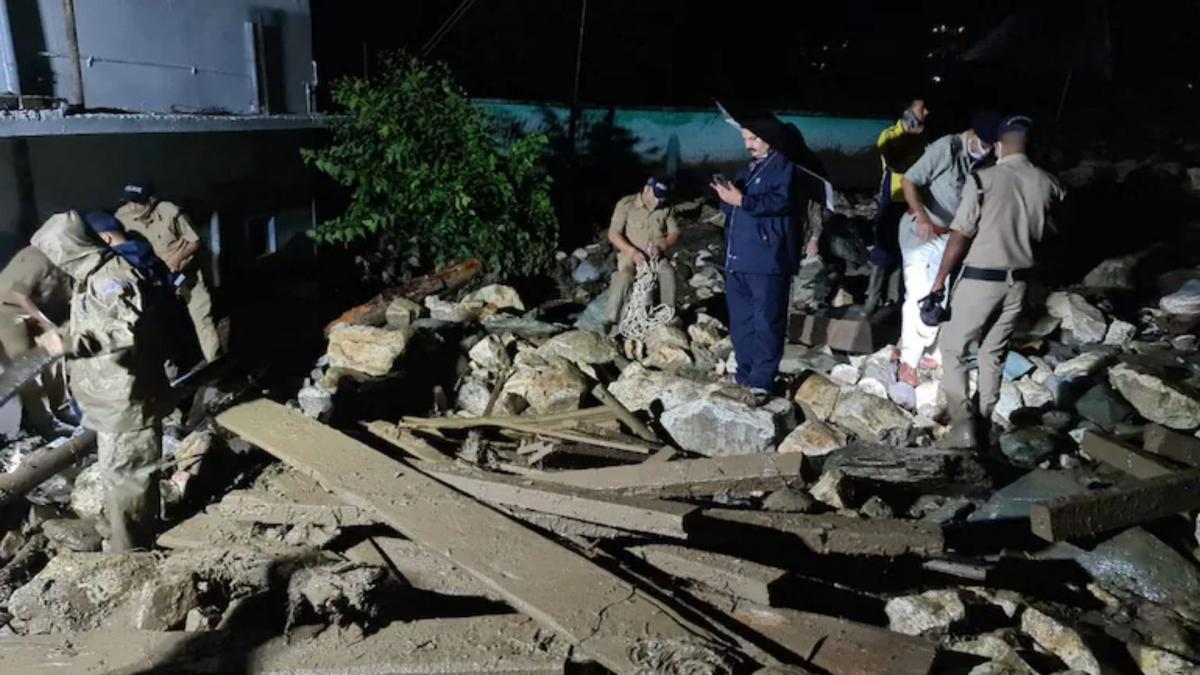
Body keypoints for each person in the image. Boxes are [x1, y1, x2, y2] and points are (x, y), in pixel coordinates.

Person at [32, 211, 169, 551]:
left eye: (55, 253)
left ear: (70, 247)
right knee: (119, 474)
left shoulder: (113, 276)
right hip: (113, 400)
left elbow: (125, 329)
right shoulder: (91, 276)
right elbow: (97, 323)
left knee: (128, 477)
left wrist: (70, 342)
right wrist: (66, 334)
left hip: (128, 399)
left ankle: (133, 553)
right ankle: (129, 534)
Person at [930, 116, 1066, 449]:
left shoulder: (983, 180)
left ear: (1000, 145)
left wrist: (938, 282)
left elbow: (959, 237)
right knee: (994, 353)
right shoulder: (1049, 183)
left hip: (980, 279)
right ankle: (985, 420)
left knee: (953, 348)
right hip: (1018, 283)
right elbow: (1054, 231)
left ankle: (963, 425)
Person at [895, 111, 1001, 386]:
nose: (988, 150)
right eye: (987, 144)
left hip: (950, 238)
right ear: (973, 136)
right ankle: (909, 361)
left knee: (939, 294)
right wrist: (922, 216)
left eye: (993, 146)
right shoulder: (947, 148)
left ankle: (928, 348)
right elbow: (909, 180)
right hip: (919, 233)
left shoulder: (983, 161)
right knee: (919, 294)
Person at [712, 120, 799, 399]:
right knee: (741, 321)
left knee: (767, 320)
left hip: (767, 258)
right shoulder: (747, 168)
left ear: (770, 138)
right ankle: (745, 373)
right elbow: (734, 206)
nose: (747, 144)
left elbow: (782, 201)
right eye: (745, 138)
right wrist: (726, 196)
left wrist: (744, 201)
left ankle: (762, 380)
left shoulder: (785, 166)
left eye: (753, 138)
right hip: (738, 258)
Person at [115, 182, 221, 363]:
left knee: (202, 318)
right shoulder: (121, 217)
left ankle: (215, 363)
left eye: (137, 203)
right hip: (155, 282)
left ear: (151, 201)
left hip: (185, 275)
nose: (132, 207)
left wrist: (178, 259)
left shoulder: (170, 212)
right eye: (129, 202)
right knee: (162, 328)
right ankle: (171, 373)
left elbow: (194, 241)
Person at [0, 244, 72, 437]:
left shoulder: (69, 255)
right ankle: (46, 423)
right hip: (5, 311)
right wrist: (45, 323)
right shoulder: (38, 258)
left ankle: (63, 408)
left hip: (31, 309)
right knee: (28, 369)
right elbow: (18, 294)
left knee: (55, 356)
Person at [866, 98, 929, 313]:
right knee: (883, 248)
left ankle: (893, 300)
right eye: (921, 109)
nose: (926, 112)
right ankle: (872, 300)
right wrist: (913, 140)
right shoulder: (890, 134)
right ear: (908, 112)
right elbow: (896, 162)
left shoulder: (923, 138)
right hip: (893, 196)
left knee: (905, 250)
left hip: (913, 201)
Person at [604, 177, 679, 331]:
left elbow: (674, 233)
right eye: (656, 197)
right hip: (629, 252)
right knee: (625, 276)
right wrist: (632, 252)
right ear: (647, 190)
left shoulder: (666, 208)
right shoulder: (626, 204)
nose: (659, 202)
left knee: (667, 271)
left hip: (655, 253)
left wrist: (662, 246)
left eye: (662, 198)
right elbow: (613, 234)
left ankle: (667, 313)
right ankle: (611, 318)